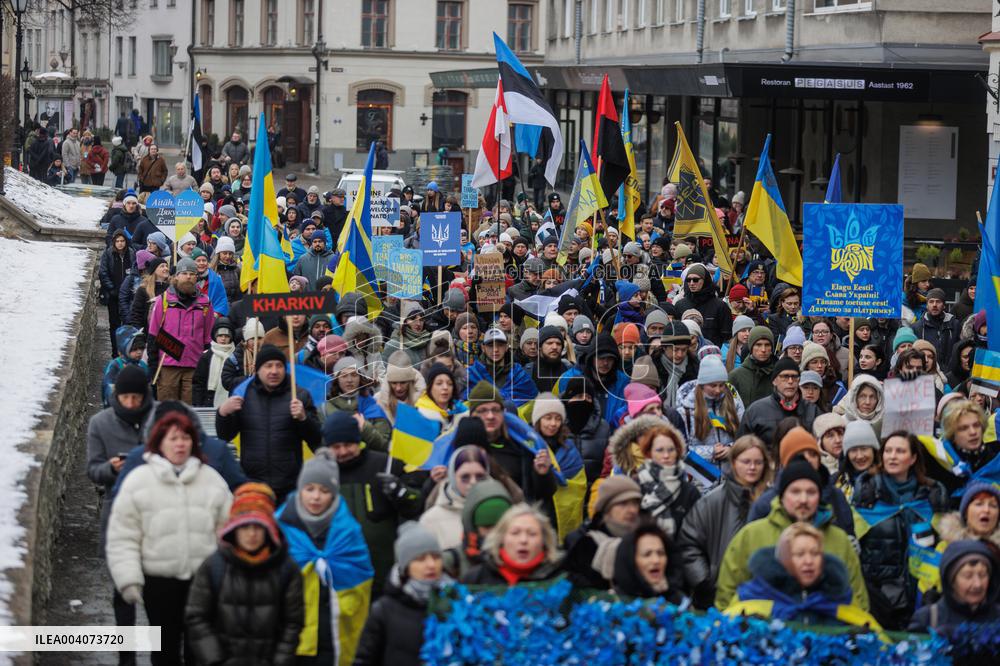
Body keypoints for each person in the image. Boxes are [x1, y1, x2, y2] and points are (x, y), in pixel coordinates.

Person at [106, 412, 232, 665]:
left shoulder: (211, 480)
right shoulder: (139, 481)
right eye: (173, 438)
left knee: (201, 651)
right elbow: (123, 536)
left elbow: (229, 533)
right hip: (159, 582)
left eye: (185, 438)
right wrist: (128, 578)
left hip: (202, 583)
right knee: (165, 651)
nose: (180, 444)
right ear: (159, 442)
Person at [714, 460, 868, 611]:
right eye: (795, 492)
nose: (803, 499)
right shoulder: (751, 535)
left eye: (811, 492)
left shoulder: (839, 540)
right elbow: (727, 593)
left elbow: (857, 599)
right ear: (782, 496)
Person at [184, 483, 304, 666]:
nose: (251, 534)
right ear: (234, 529)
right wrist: (214, 659)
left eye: (258, 527)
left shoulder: (286, 569)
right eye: (245, 527)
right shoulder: (214, 566)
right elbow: (197, 617)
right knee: (162, 644)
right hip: (222, 662)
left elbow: (293, 622)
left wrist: (280, 661)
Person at [275, 449, 374, 665]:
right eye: (309, 489)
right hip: (291, 635)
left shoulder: (348, 531)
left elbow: (361, 578)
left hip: (333, 633)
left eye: (324, 490)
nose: (316, 497)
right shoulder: (280, 528)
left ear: (334, 493)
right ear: (300, 489)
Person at [852, 431, 949, 629]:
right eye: (888, 451)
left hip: (922, 599)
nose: (892, 456)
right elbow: (852, 552)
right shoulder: (866, 497)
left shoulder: (931, 498)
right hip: (878, 602)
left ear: (913, 458)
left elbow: (943, 547)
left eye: (900, 451)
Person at [321, 411, 422, 596]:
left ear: (358, 441)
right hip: (342, 574)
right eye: (336, 447)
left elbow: (415, 505)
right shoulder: (321, 474)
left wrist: (400, 491)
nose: (343, 452)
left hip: (384, 571)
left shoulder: (385, 465)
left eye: (348, 445)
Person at [215, 344, 323, 503]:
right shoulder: (244, 394)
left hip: (290, 485)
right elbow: (225, 435)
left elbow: (316, 438)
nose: (274, 371)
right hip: (253, 484)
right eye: (268, 366)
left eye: (279, 366)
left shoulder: (299, 395)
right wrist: (223, 413)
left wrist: (303, 418)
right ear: (258, 369)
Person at [677, 436, 773, 609]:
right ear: (734, 463)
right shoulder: (712, 501)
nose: (752, 467)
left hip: (765, 595)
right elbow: (689, 543)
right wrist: (704, 581)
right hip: (717, 594)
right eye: (746, 461)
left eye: (758, 462)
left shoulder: (774, 502)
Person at [726, 523, 880, 629]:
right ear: (784, 560)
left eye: (815, 553)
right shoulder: (750, 599)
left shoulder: (842, 597)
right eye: (799, 554)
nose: (808, 561)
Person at [354, 522, 452, 666]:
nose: (431, 565)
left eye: (436, 557)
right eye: (420, 559)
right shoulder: (384, 610)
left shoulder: (457, 602)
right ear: (406, 567)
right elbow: (364, 659)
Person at [147, 257, 215, 403]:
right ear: (176, 276)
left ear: (196, 277)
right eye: (184, 273)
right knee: (167, 409)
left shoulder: (205, 303)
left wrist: (206, 364)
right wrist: (153, 365)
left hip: (194, 365)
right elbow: (153, 334)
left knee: (190, 410)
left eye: (192, 274)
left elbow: (209, 337)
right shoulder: (164, 300)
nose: (188, 277)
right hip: (168, 366)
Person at [563, 475, 642, 589]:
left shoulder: (648, 538)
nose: (632, 510)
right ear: (607, 508)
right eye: (623, 503)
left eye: (635, 503)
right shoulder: (584, 543)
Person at [907, 540, 1000, 634]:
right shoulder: (927, 618)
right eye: (968, 576)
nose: (977, 584)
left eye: (983, 575)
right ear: (951, 580)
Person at [461, 503, 564, 585]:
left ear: (544, 540)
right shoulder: (475, 578)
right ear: (501, 538)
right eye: (515, 533)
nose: (523, 540)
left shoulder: (559, 578)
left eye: (532, 534)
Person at [675, 356, 744, 469]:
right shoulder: (686, 410)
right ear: (702, 385)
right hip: (700, 475)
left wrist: (732, 448)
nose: (718, 390)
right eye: (713, 385)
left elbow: (745, 436)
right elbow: (680, 447)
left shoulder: (734, 405)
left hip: (730, 473)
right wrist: (711, 452)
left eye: (721, 385)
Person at [634, 424, 701, 539]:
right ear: (649, 453)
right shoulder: (635, 486)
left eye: (671, 450)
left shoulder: (689, 492)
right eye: (659, 450)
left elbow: (697, 534)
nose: (666, 455)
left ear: (677, 452)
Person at [420, 446, 492, 551]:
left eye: (480, 476)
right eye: (465, 477)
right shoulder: (430, 520)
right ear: (453, 477)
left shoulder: (503, 511)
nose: (473, 482)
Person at [738, 358, 819, 446]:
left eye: (794, 377)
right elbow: (742, 447)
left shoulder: (812, 410)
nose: (790, 381)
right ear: (774, 381)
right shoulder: (755, 411)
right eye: (785, 377)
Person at [611, 524, 686, 604]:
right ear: (630, 560)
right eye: (647, 554)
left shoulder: (680, 601)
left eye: (661, 553)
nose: (656, 560)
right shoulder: (613, 602)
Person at [672, 263, 732, 345]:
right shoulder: (680, 305)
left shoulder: (720, 306)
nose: (691, 283)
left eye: (695, 280)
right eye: (688, 280)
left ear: (705, 280)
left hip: (712, 350)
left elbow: (727, 337)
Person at [99, 230, 137, 355]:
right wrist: (111, 288)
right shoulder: (108, 253)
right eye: (117, 241)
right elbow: (103, 273)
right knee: (114, 324)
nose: (120, 243)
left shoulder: (131, 253)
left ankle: (126, 350)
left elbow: (135, 271)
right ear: (114, 242)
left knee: (128, 323)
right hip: (113, 295)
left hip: (128, 296)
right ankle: (115, 352)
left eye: (122, 241)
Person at [192, 318, 237, 408]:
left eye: (227, 336)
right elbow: (199, 382)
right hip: (209, 400)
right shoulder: (206, 356)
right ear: (215, 336)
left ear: (231, 337)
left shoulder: (235, 355)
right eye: (220, 335)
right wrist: (198, 404)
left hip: (230, 398)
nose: (223, 339)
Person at [727, 326, 776, 407]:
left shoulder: (779, 374)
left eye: (767, 345)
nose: (763, 349)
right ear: (751, 347)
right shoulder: (735, 376)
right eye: (758, 345)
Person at [101, 326, 148, 408]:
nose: (139, 352)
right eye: (134, 349)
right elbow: (108, 389)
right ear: (123, 348)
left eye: (141, 348)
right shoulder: (115, 366)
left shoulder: (142, 366)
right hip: (117, 408)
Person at [832, 374, 885, 440]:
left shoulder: (884, 426)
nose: (867, 402)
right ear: (854, 398)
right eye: (862, 396)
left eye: (872, 397)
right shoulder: (840, 424)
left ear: (878, 400)